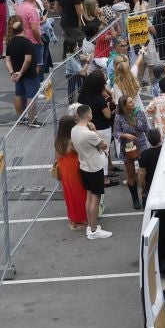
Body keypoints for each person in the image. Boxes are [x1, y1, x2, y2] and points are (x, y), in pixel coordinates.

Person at [73, 102, 114, 238]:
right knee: (95, 199)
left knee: (89, 197)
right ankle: (93, 230)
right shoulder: (89, 134)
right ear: (89, 115)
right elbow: (103, 145)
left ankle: (91, 226)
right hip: (94, 168)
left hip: (84, 166)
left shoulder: (74, 130)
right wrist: (94, 130)